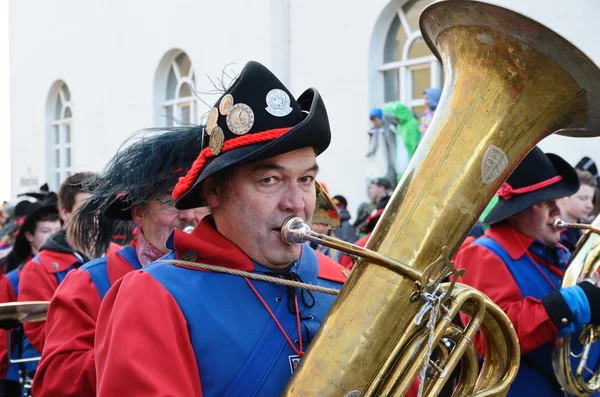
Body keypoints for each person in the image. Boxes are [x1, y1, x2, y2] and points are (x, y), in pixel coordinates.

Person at [94, 61, 350, 396]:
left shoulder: (338, 280)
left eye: (305, 179)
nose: (297, 203)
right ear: (214, 192)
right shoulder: (154, 296)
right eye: (269, 180)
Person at [32, 128, 203, 397]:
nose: (190, 215)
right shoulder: (89, 283)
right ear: (139, 215)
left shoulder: (228, 274)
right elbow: (55, 384)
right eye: (172, 202)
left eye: (198, 200)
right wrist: (129, 353)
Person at [454, 146, 600, 397]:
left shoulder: (559, 250)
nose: (557, 212)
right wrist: (574, 301)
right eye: (545, 203)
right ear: (517, 211)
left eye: (557, 201)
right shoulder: (482, 254)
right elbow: (491, 340)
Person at [16, 172, 95, 380]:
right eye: (86, 208)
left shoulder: (115, 254)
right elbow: (40, 333)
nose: (95, 216)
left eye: (100, 207)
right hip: (71, 376)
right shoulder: (38, 268)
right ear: (65, 212)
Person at [0, 201, 61, 396]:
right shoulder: (12, 279)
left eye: (57, 230)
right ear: (29, 235)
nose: (53, 236)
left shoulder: (73, 270)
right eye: (45, 230)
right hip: (25, 368)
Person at [558, 169, 597, 252]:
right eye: (583, 198)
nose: (590, 205)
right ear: (563, 197)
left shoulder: (585, 233)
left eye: (591, 200)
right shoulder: (549, 232)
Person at [383, 101, 420, 177]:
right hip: (400, 166)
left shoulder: (412, 124)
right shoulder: (400, 126)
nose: (394, 119)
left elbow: (414, 145)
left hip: (410, 165)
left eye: (395, 117)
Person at [365, 108, 397, 185]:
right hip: (376, 163)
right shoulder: (372, 132)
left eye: (375, 120)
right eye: (372, 120)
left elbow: (392, 147)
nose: (374, 122)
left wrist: (394, 164)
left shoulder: (388, 130)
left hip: (386, 163)